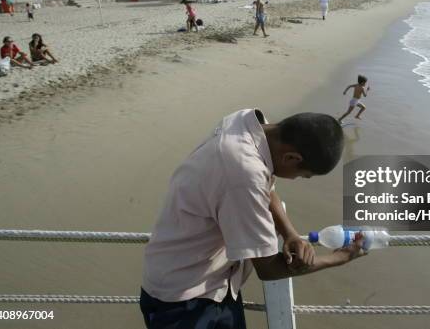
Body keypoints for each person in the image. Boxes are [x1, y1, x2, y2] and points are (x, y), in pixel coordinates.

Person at [139, 109, 366, 329]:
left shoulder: (247, 123)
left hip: (217, 285)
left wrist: (290, 234)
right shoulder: (244, 174)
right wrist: (340, 258)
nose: (297, 178)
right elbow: (269, 269)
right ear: (291, 157)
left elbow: (266, 187)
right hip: (184, 301)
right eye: (302, 175)